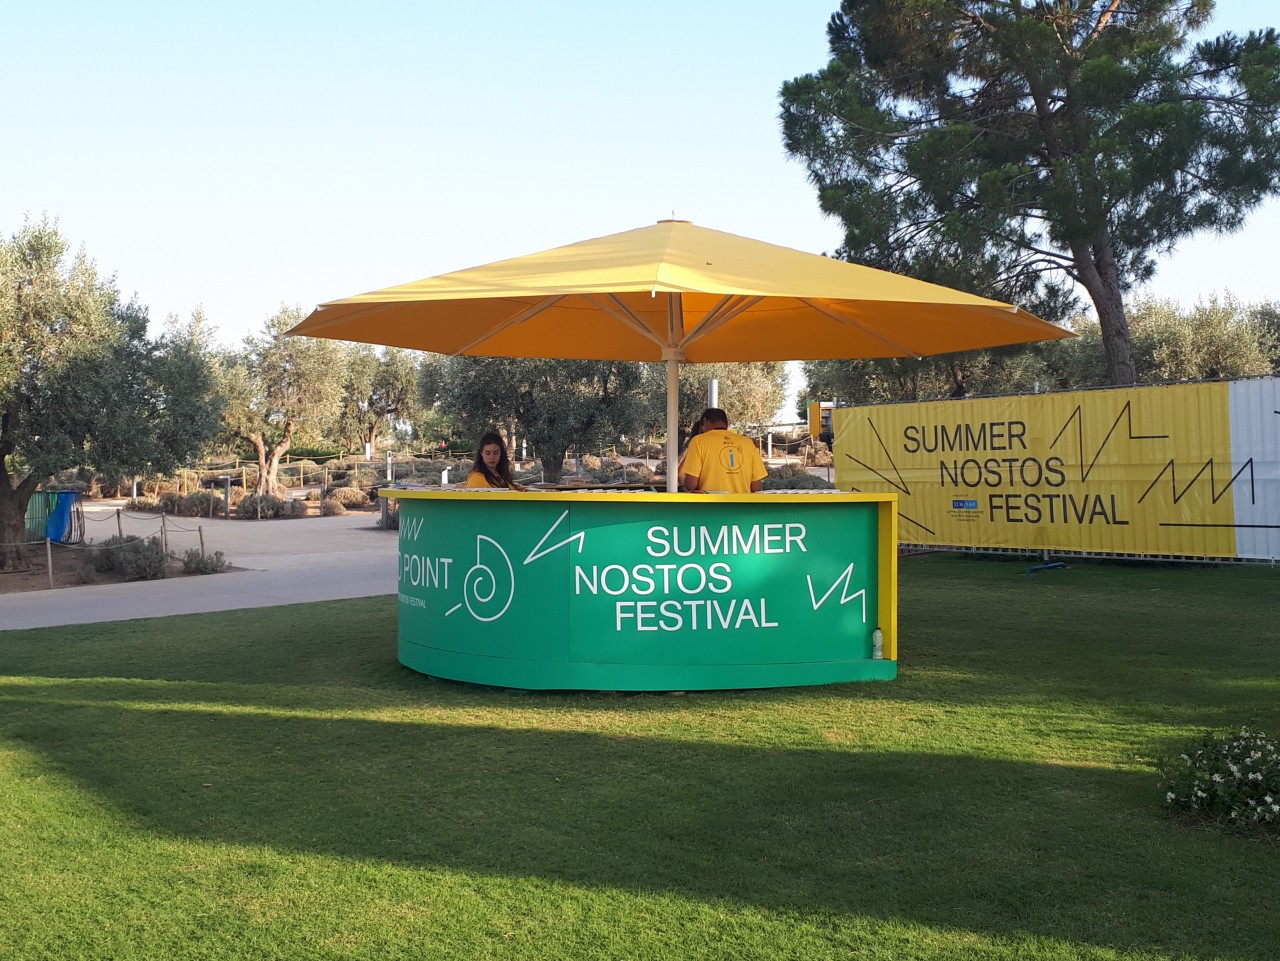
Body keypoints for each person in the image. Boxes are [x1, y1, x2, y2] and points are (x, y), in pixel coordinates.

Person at [680, 408, 767, 494]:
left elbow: (691, 484)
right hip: (742, 502)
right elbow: (756, 487)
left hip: (711, 502)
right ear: (726, 423)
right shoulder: (747, 442)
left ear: (705, 422)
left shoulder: (698, 441)